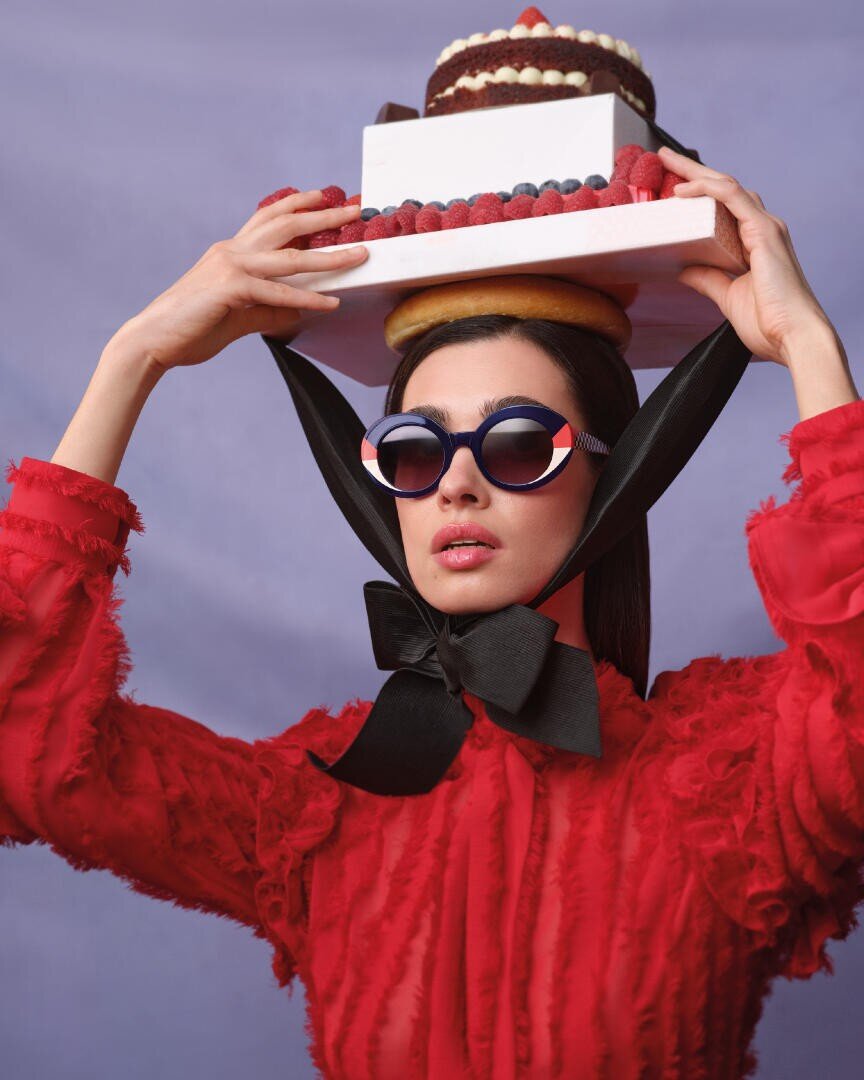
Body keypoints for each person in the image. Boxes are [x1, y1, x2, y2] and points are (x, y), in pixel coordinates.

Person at [1, 146, 862, 1078]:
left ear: (617, 478)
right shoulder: (318, 809)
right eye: (413, 450)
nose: (454, 484)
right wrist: (133, 356)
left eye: (518, 441)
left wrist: (811, 351)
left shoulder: (728, 789)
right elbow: (30, 744)